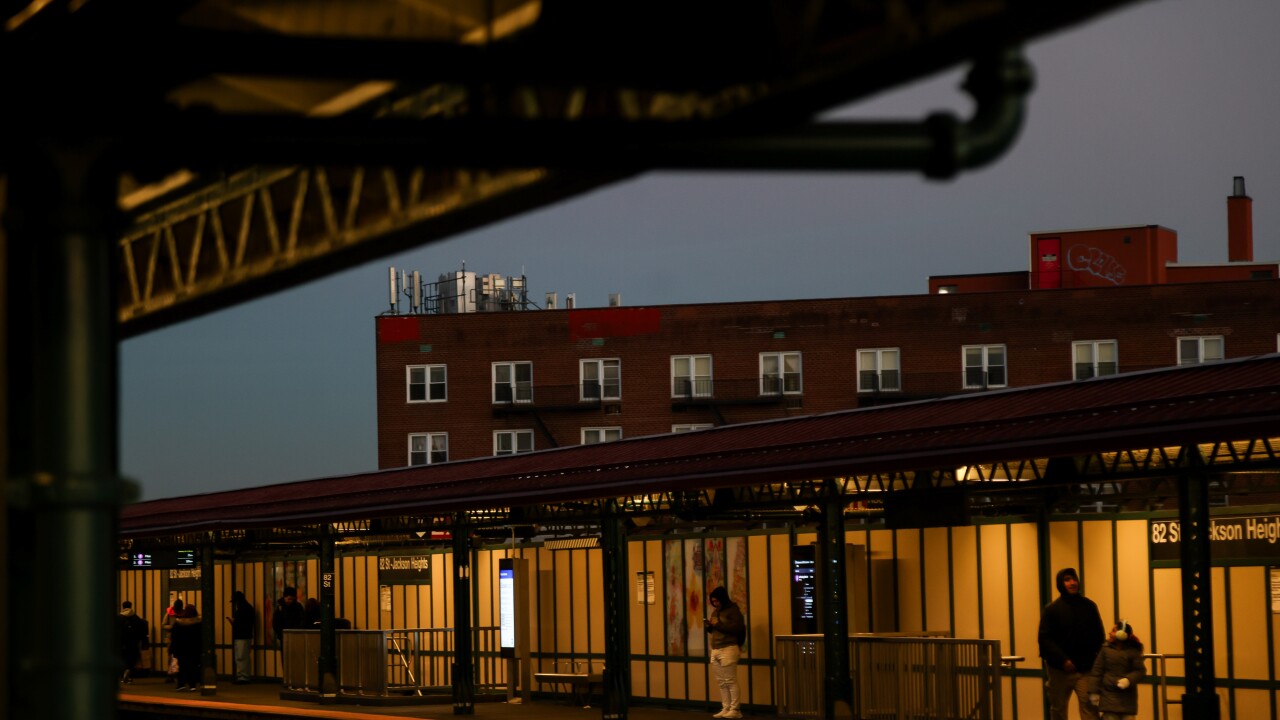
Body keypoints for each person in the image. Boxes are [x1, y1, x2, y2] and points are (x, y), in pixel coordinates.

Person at [1039, 567, 1106, 720]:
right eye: (1067, 580)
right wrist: (1063, 660)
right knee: (1058, 710)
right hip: (1059, 671)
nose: (1072, 583)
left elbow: (1098, 636)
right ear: (1060, 584)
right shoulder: (1052, 610)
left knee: (1090, 710)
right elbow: (1045, 640)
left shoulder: (1089, 606)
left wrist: (1095, 660)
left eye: (1074, 579)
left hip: (1085, 670)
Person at [1088, 620, 1147, 720]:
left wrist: (1128, 680)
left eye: (1114, 630)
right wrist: (1093, 691)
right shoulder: (1105, 650)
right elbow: (1097, 672)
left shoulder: (1133, 651)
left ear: (1122, 634)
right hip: (1108, 697)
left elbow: (1140, 671)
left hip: (1127, 699)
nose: (1110, 633)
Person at [705, 586, 746, 719]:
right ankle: (726, 707)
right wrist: (710, 627)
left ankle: (735, 709)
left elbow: (737, 628)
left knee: (730, 680)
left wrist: (718, 626)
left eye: (717, 601)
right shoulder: (715, 612)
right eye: (713, 601)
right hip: (716, 649)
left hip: (728, 648)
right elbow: (717, 630)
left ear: (722, 598)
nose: (715, 603)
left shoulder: (733, 611)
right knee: (721, 681)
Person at [170, 605, 203, 691]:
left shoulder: (178, 623)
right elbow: (201, 637)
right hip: (194, 648)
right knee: (193, 666)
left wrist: (173, 649)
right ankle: (192, 685)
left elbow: (174, 637)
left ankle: (181, 684)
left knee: (182, 666)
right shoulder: (198, 623)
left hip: (181, 648)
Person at [227, 590, 255, 684]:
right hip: (244, 635)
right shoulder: (247, 608)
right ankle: (243, 676)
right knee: (242, 656)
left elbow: (241, 623)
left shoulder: (242, 609)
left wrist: (233, 622)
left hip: (242, 635)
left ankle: (243, 677)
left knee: (241, 657)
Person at [117, 600, 148, 684]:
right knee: (131, 658)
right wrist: (143, 642)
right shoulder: (135, 617)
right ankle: (129, 673)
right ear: (131, 606)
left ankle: (122, 674)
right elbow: (141, 630)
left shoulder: (119, 617)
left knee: (122, 658)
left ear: (123, 607)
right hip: (133, 642)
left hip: (121, 642)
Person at [162, 598, 184, 683]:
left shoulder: (176, 613)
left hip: (177, 638)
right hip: (172, 638)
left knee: (175, 656)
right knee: (171, 657)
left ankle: (175, 674)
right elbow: (163, 625)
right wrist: (172, 627)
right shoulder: (169, 613)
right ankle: (170, 674)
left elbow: (163, 625)